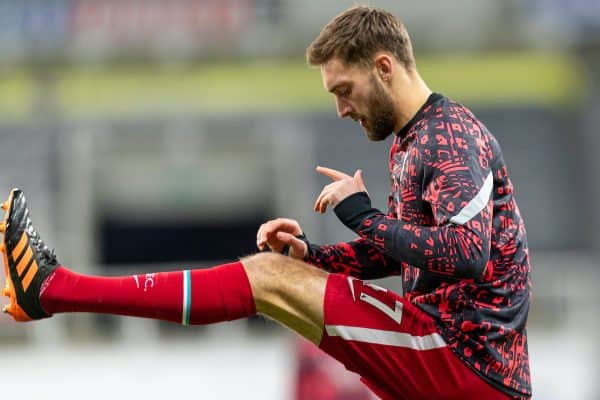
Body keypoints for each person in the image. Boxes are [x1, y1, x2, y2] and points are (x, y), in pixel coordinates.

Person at [0, 6, 531, 400]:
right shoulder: (413, 140)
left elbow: (466, 254)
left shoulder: (449, 137)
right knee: (275, 273)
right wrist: (310, 257)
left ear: (384, 67)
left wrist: (363, 216)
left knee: (266, 280)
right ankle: (51, 291)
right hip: (452, 358)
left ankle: (53, 289)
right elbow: (405, 255)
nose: (342, 109)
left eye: (343, 89)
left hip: (464, 364)